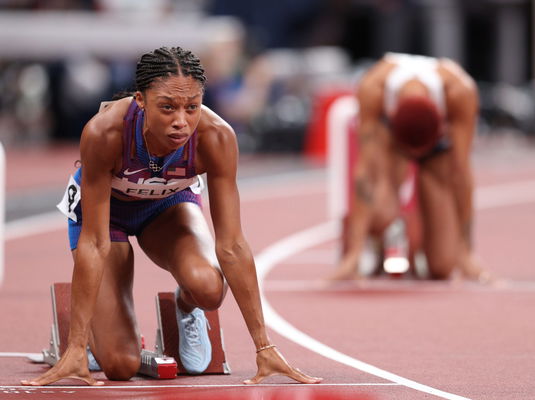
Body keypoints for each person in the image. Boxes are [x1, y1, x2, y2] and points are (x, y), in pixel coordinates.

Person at [21, 47, 321, 386]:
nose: (181, 121)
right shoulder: (104, 132)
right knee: (120, 366)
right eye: (167, 107)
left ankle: (184, 309)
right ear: (140, 100)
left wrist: (263, 346)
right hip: (106, 216)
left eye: (192, 107)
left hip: (166, 207)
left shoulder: (216, 137)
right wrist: (75, 347)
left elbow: (233, 245)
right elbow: (93, 242)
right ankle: (79, 336)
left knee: (208, 288)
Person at [328, 52, 489, 282]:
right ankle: (379, 243)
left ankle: (418, 238)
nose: (416, 158)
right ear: (392, 113)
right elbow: (365, 171)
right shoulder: (373, 87)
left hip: (438, 150)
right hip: (391, 143)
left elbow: (461, 173)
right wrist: (354, 252)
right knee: (380, 214)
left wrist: (467, 252)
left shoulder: (460, 92)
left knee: (442, 267)